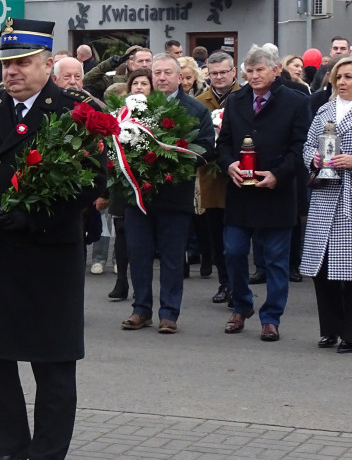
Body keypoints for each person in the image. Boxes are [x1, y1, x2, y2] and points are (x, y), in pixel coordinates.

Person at [0, 18, 106, 460]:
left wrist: (34, 218)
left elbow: (91, 181)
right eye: (6, 63)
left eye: (21, 63)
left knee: (52, 363)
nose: (11, 72)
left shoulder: (74, 110)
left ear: (46, 63)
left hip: (48, 255)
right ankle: (9, 444)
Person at [218, 45, 311, 342]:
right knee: (233, 251)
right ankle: (242, 306)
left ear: (276, 71)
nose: (254, 75)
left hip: (276, 193)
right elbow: (223, 144)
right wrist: (229, 164)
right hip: (241, 193)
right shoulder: (236, 101)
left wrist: (278, 175)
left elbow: (301, 149)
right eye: (250, 70)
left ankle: (271, 317)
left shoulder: (295, 102)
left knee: (275, 260)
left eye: (260, 70)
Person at [121, 54, 214, 335]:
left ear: (179, 77)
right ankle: (141, 310)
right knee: (138, 253)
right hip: (139, 195)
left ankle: (169, 313)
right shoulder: (136, 107)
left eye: (167, 73)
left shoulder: (195, 110)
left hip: (174, 194)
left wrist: (172, 160)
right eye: (157, 73)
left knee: (173, 257)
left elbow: (207, 148)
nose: (161, 78)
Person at [300, 56, 352, 352]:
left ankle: (349, 332)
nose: (343, 82)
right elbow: (307, 145)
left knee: (349, 271)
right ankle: (329, 329)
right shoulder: (324, 110)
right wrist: (314, 160)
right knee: (323, 269)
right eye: (339, 77)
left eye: (349, 77)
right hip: (324, 195)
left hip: (349, 196)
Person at [196, 52, 243, 304]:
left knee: (237, 240)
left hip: (238, 174)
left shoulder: (244, 97)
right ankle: (224, 282)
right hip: (211, 176)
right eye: (214, 73)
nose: (219, 77)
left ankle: (238, 285)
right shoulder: (200, 101)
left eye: (224, 72)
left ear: (233, 72)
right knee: (216, 235)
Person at [83, 46, 153, 99]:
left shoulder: (158, 81)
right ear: (133, 64)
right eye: (140, 61)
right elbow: (87, 80)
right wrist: (107, 65)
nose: (144, 64)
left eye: (148, 61)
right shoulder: (116, 80)